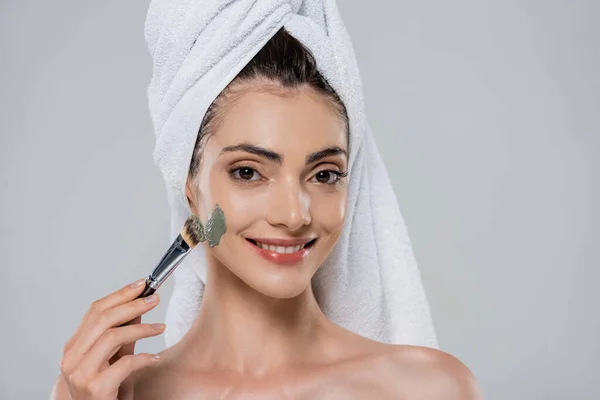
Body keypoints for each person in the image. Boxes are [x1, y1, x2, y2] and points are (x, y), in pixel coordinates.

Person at [51, 28, 481, 399]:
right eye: (248, 172)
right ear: (189, 186)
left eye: (325, 174)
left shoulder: (427, 388)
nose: (294, 215)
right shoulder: (104, 393)